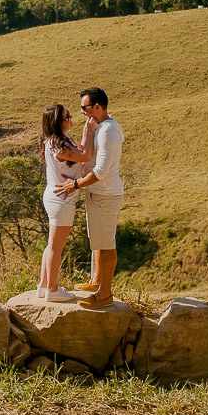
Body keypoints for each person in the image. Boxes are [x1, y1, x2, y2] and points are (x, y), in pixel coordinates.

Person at [54, 87, 124, 309]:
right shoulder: (101, 127)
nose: (82, 112)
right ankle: (96, 283)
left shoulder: (108, 132)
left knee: (106, 244)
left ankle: (105, 295)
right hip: (98, 193)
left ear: (97, 107)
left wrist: (74, 184)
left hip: (105, 194)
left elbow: (101, 171)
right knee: (98, 242)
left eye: (84, 108)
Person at [36, 103, 95, 301]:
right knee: (56, 247)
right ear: (56, 122)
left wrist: (86, 134)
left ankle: (44, 285)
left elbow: (82, 152)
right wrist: (89, 129)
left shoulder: (56, 141)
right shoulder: (58, 144)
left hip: (56, 197)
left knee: (51, 245)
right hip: (62, 199)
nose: (70, 119)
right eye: (66, 117)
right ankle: (53, 290)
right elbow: (85, 155)